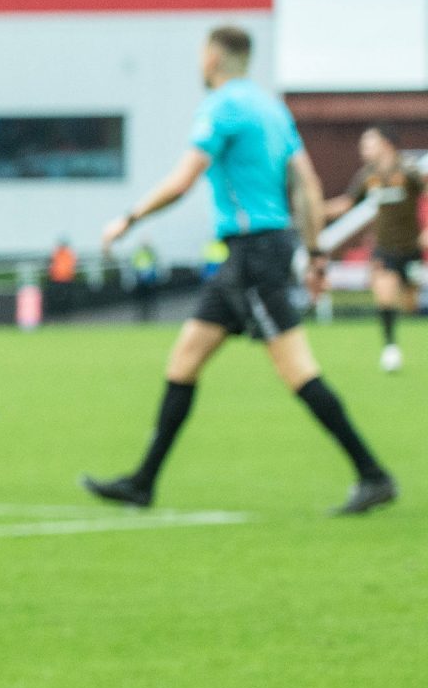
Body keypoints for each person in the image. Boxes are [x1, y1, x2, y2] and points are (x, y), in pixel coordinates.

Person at [89, 26, 396, 516]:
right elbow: (308, 184)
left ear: (213, 58)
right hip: (254, 254)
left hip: (254, 256)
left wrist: (129, 219)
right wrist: (315, 254)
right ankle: (143, 482)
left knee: (298, 369)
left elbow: (184, 180)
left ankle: (373, 474)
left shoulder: (221, 107)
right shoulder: (271, 108)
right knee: (185, 359)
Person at [323, 125, 425, 373]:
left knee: (410, 306)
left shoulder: (409, 171)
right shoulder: (368, 175)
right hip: (384, 249)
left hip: (410, 249)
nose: (363, 149)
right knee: (384, 296)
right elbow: (347, 203)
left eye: (369, 143)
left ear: (386, 144)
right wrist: (317, 209)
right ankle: (390, 349)